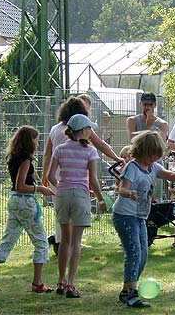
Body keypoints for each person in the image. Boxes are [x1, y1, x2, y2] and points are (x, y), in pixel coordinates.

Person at [112, 130, 175, 308]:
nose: (154, 158)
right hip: (125, 215)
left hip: (140, 216)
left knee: (143, 255)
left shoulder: (153, 167)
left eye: (157, 155)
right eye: (152, 155)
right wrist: (130, 193)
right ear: (142, 151)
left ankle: (126, 291)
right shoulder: (132, 167)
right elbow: (121, 189)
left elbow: (169, 174)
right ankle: (132, 294)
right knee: (134, 253)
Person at [0, 126, 55, 293]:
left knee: (8, 240)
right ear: (29, 141)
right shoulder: (26, 159)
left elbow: (18, 184)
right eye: (36, 139)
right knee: (41, 241)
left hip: (14, 202)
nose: (38, 143)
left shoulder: (14, 157)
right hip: (25, 203)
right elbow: (21, 186)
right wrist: (39, 189)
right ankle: (37, 283)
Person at [42, 96, 123, 254]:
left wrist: (45, 175)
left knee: (61, 212)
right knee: (77, 211)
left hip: (56, 176)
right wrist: (116, 158)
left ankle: (61, 241)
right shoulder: (82, 129)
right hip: (76, 177)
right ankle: (70, 243)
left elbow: (47, 154)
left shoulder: (54, 129)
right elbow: (100, 144)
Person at [48, 114, 108, 298]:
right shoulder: (89, 151)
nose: (91, 131)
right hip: (80, 195)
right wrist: (101, 199)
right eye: (89, 128)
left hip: (63, 194)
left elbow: (50, 176)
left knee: (64, 241)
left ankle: (60, 281)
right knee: (76, 242)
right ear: (82, 131)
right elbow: (93, 180)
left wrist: (61, 188)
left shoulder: (59, 149)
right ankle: (71, 285)